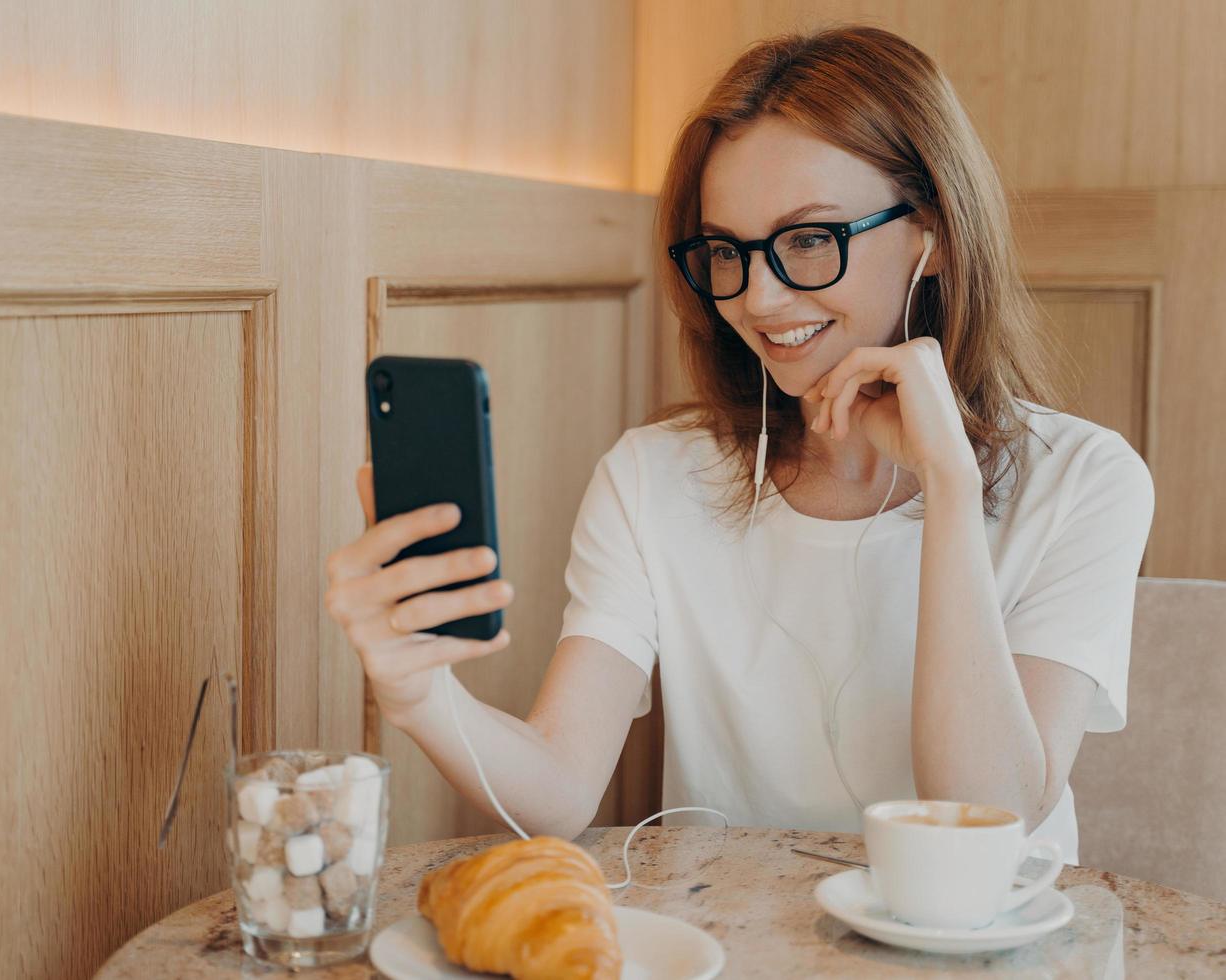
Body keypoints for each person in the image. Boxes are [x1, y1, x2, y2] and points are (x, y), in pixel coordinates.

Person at [323, 25, 1153, 864]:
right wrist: (418, 690)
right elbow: (559, 791)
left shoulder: (1086, 481)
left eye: (807, 240)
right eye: (727, 250)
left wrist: (947, 480)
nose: (758, 297)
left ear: (930, 233)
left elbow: (988, 822)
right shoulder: (654, 476)